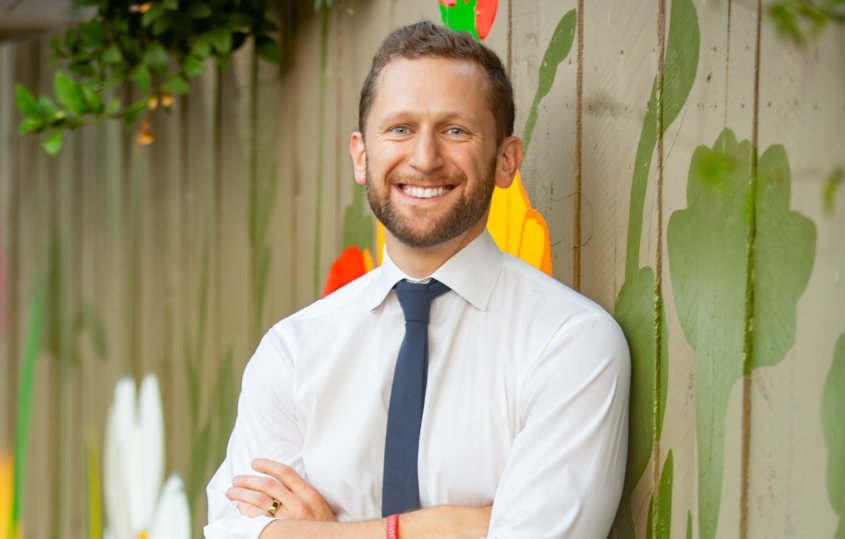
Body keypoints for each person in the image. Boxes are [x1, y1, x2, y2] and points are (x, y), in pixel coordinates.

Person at [205, 21, 630, 539]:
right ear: (362, 156)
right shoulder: (294, 353)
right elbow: (231, 530)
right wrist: (450, 527)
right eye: (400, 128)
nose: (424, 158)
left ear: (505, 161)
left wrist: (324, 533)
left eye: (455, 130)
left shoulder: (570, 342)